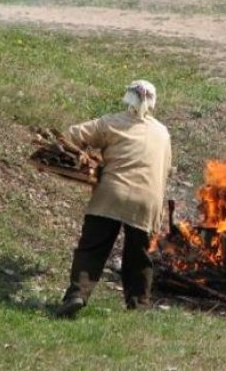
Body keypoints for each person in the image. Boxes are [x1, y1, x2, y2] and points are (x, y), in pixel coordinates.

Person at [55, 79, 172, 318]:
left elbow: (72, 135)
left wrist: (84, 156)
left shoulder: (111, 122)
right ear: (152, 102)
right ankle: (138, 306)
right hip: (147, 200)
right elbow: (164, 170)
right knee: (138, 256)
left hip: (111, 195)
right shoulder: (162, 132)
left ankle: (77, 294)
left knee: (93, 247)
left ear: (127, 98)